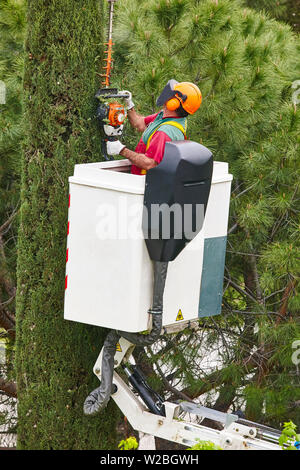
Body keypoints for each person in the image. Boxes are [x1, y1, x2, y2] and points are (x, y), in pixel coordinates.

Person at [106, 79, 202, 174]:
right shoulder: (167, 116)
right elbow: (140, 124)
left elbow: (149, 163)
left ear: (174, 103)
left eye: (171, 95)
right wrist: (129, 105)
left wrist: (121, 150)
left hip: (144, 184)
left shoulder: (164, 132)